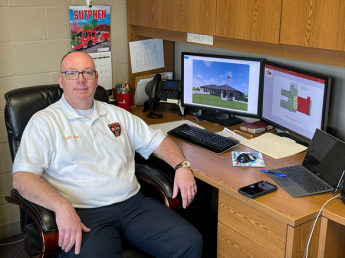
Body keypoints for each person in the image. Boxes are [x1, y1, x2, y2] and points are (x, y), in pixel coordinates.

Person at [12, 51, 203, 258]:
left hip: (133, 205)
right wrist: (61, 206)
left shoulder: (117, 114)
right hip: (83, 212)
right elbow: (22, 178)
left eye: (87, 73)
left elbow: (158, 141)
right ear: (61, 80)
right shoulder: (44, 122)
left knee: (190, 242)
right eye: (72, 73)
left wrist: (182, 167)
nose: (81, 80)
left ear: (96, 78)